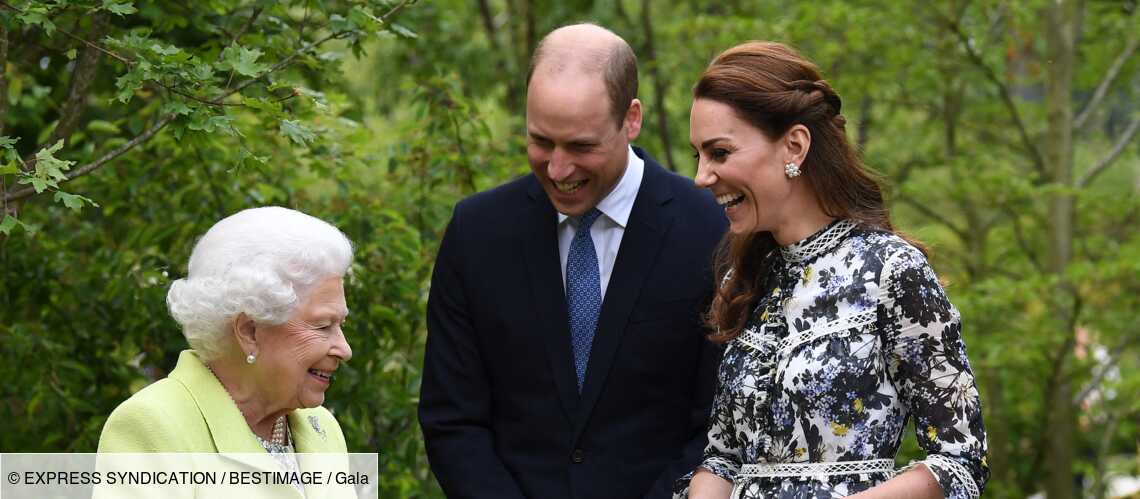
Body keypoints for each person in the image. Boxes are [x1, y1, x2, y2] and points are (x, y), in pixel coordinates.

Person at [419, 23, 727, 499]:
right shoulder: (477, 232)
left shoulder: (711, 230)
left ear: (631, 119)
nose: (558, 169)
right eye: (541, 142)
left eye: (581, 146)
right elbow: (452, 419)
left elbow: (718, 425)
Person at [678, 42, 988, 499]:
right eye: (697, 156)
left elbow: (960, 460)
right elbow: (724, 456)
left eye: (719, 153)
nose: (702, 176)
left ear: (795, 145)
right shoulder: (743, 281)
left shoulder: (892, 271)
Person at [98, 207, 355, 492]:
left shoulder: (320, 426)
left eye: (340, 324)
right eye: (322, 326)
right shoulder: (153, 424)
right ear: (249, 331)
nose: (344, 349)